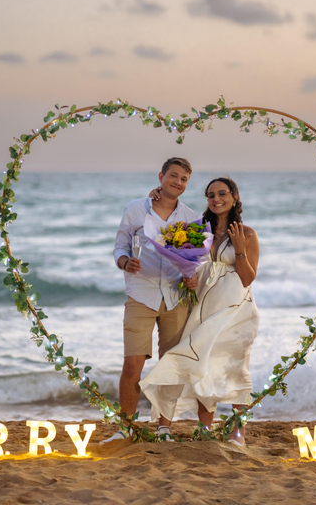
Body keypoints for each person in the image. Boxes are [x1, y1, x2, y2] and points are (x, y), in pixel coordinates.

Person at [140, 177, 260, 446]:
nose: (216, 199)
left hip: (236, 310)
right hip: (203, 306)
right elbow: (189, 266)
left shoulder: (248, 233)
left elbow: (247, 278)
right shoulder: (198, 230)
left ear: (235, 196)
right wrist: (188, 279)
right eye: (210, 195)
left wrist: (239, 250)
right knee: (197, 363)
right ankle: (202, 428)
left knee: (236, 366)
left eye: (222, 193)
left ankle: (238, 432)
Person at [104, 157, 199, 443]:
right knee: (133, 364)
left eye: (184, 179)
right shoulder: (136, 208)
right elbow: (120, 244)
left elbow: (194, 259)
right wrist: (124, 262)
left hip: (175, 297)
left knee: (171, 365)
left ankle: (164, 428)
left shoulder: (191, 217)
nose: (178, 182)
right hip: (140, 294)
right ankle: (126, 428)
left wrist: (192, 276)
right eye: (174, 176)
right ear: (161, 176)